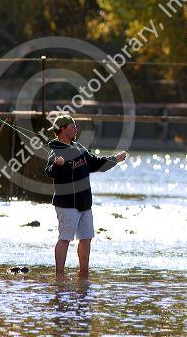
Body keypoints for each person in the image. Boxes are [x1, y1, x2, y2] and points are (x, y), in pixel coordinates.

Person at [45, 114, 127, 279]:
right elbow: (49, 171)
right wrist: (57, 165)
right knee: (65, 238)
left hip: (85, 203)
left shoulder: (79, 148)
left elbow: (96, 163)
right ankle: (59, 275)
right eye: (72, 126)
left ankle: (84, 274)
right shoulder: (55, 151)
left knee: (86, 238)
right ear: (62, 129)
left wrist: (115, 159)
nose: (76, 129)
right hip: (66, 203)